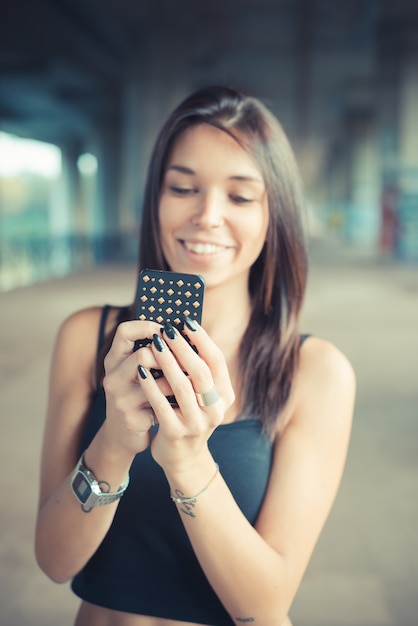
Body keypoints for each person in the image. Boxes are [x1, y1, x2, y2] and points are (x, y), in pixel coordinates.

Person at [35, 85, 355, 626]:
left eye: (240, 196)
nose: (207, 216)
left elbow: (266, 605)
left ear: (274, 215)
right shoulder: (88, 338)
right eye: (183, 187)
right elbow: (54, 561)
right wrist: (114, 440)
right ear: (155, 199)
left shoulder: (316, 373)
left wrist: (187, 460)